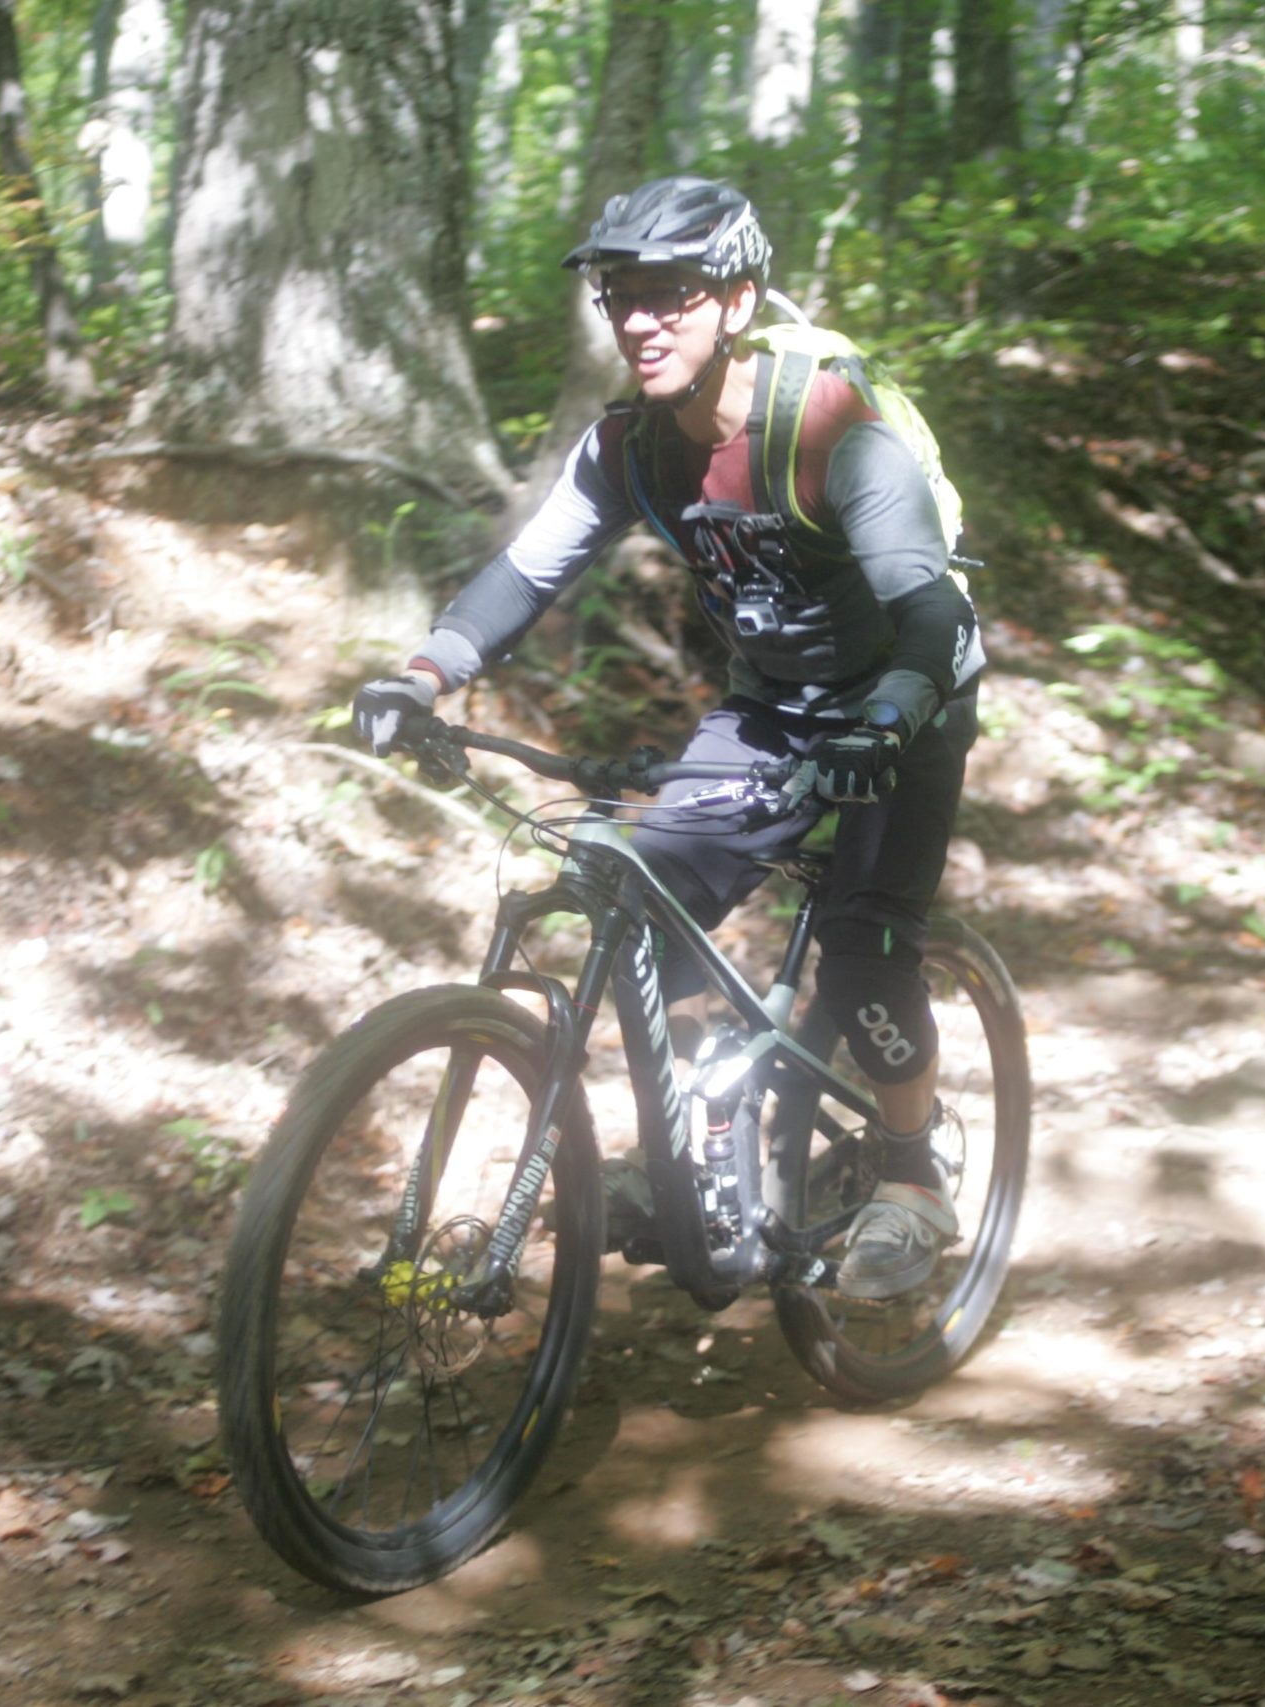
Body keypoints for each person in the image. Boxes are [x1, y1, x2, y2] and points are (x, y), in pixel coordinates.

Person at [351, 176, 986, 1300]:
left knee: (864, 951)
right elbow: (527, 570)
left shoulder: (830, 428)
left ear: (735, 301)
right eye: (619, 297)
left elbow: (925, 606)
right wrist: (423, 674)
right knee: (640, 890)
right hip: (774, 707)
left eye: (669, 295)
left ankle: (910, 1169)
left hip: (905, 696)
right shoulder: (631, 449)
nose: (639, 320)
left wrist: (888, 715)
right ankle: (712, 1112)